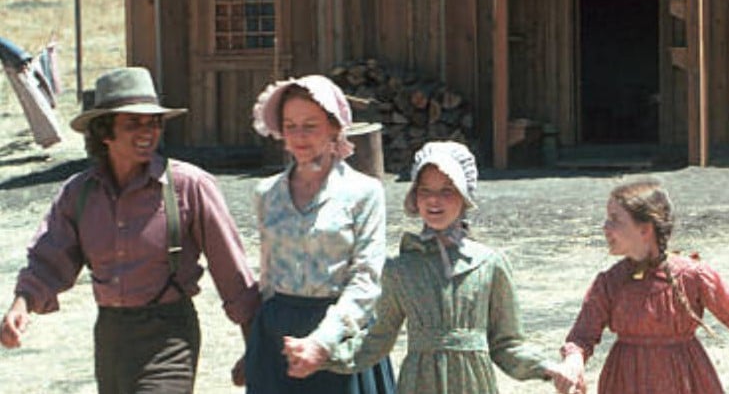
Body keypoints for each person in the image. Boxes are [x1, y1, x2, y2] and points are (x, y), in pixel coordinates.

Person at [0, 66, 260, 393]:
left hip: (170, 335)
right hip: (111, 336)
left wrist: (255, 347)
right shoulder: (79, 193)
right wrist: (20, 306)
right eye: (133, 123)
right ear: (105, 133)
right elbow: (49, 259)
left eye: (153, 123)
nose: (148, 132)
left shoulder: (187, 186)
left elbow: (233, 274)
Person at [323, 140, 581, 394]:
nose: (434, 201)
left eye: (447, 190)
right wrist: (323, 352)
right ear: (415, 196)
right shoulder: (400, 269)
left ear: (465, 195)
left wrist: (547, 368)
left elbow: (507, 345)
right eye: (425, 190)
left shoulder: (489, 264)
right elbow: (377, 339)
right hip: (418, 385)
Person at [556, 178, 729, 394]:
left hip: (684, 380)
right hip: (626, 381)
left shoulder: (692, 277)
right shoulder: (610, 282)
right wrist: (573, 360)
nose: (605, 227)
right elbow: (582, 335)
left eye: (615, 219)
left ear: (645, 229)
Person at [242, 74, 396, 393]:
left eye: (310, 125)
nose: (299, 136)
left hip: (342, 336)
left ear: (334, 128)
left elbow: (367, 278)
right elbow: (268, 278)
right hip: (277, 339)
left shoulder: (363, 193)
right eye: (290, 125)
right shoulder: (267, 193)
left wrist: (322, 343)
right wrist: (255, 346)